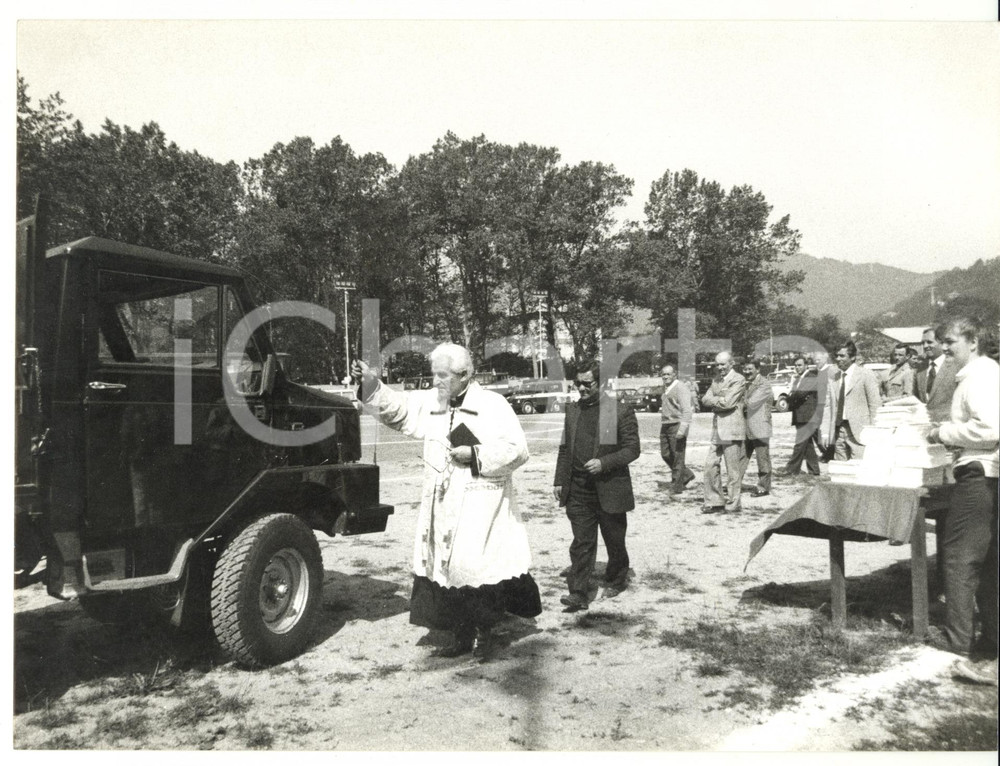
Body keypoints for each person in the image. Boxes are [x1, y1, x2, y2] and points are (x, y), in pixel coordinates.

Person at [352, 344, 541, 659]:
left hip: (481, 507)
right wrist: (371, 384)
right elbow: (398, 410)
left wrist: (476, 455)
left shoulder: (493, 404)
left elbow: (517, 450)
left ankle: (484, 635)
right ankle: (460, 636)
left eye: (443, 376)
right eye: (434, 374)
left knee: (476, 572)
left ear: (465, 375)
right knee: (448, 574)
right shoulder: (432, 401)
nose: (436, 381)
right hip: (442, 504)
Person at [925, 317, 998, 686]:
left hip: (978, 474)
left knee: (958, 559)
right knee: (988, 563)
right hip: (988, 474)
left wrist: (942, 431)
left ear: (973, 340)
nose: (944, 348)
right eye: (942, 342)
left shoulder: (980, 377)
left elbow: (989, 429)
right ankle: (991, 641)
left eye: (950, 341)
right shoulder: (982, 373)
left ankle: (958, 646)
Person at [553, 360, 640, 612]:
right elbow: (564, 449)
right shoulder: (573, 411)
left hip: (609, 486)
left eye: (587, 383)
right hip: (578, 488)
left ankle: (616, 577)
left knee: (614, 539)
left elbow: (632, 449)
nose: (581, 388)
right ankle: (578, 592)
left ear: (601, 383)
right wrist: (559, 479)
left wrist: (604, 463)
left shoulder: (619, 411)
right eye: (577, 383)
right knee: (582, 541)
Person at [701, 351, 747, 514]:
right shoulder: (716, 380)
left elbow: (728, 403)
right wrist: (718, 400)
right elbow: (704, 399)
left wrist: (717, 400)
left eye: (723, 364)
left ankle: (734, 503)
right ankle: (715, 501)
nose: (719, 367)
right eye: (717, 364)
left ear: (731, 363)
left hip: (732, 429)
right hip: (717, 430)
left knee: (732, 469)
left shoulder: (739, 379)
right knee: (710, 465)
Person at [822, 340, 881, 461]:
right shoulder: (834, 377)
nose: (838, 359)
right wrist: (825, 432)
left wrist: (874, 433)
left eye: (842, 356)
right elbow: (827, 406)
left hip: (860, 432)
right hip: (839, 431)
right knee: (841, 472)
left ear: (853, 357)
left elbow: (875, 406)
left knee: (860, 471)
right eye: (836, 356)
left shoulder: (866, 375)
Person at [658, 364, 696, 493]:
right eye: (663, 374)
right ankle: (686, 474)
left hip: (677, 424)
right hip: (665, 424)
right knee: (666, 454)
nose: (666, 376)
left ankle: (677, 485)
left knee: (677, 455)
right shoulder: (665, 388)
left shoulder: (681, 387)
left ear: (675, 374)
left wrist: (682, 429)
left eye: (668, 374)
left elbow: (687, 410)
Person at [782, 355, 821, 476]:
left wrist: (786, 399)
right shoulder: (799, 378)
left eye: (800, 365)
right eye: (796, 366)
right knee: (808, 445)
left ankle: (791, 469)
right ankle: (814, 471)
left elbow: (800, 394)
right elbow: (796, 394)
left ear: (806, 365)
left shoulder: (811, 377)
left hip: (807, 416)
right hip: (802, 416)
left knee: (799, 445)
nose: (797, 368)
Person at [741, 357, 773, 497]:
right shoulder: (745, 384)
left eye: (750, 369)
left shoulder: (764, 384)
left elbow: (751, 403)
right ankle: (735, 483)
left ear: (758, 369)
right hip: (746, 427)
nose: (747, 372)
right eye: (745, 369)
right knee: (741, 457)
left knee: (762, 458)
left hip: (760, 427)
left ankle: (763, 487)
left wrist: (735, 401)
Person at [916, 326, 958, 424]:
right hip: (925, 425)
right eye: (923, 343)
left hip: (950, 426)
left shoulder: (955, 366)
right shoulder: (920, 369)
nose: (925, 346)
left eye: (929, 342)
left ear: (941, 342)